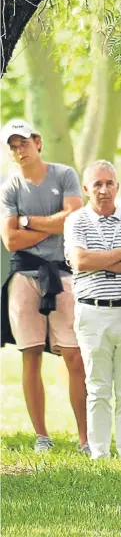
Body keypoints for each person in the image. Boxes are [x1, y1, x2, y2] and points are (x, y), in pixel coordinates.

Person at [0, 118, 88, 454]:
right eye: (13, 146)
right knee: (30, 354)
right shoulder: (10, 187)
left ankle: (84, 439)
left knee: (74, 356)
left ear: (37, 141)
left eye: (23, 142)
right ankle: (42, 436)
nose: (19, 150)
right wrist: (55, 224)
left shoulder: (64, 175)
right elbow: (10, 241)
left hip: (64, 276)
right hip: (24, 278)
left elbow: (75, 217)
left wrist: (27, 222)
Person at [64, 160, 121, 459]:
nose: (103, 190)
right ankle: (99, 453)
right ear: (86, 189)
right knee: (98, 387)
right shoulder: (76, 221)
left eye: (109, 183)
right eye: (97, 184)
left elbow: (89, 259)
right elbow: (80, 261)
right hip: (92, 312)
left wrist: (98, 258)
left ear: (117, 186)